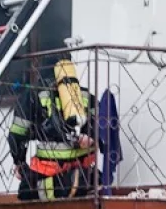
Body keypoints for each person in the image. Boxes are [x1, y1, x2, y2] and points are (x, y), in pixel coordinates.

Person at [7, 59, 102, 201]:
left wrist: (19, 161)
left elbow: (17, 133)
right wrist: (91, 137)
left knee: (26, 191)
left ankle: (69, 185)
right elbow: (102, 126)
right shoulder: (84, 95)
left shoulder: (32, 95)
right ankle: (86, 182)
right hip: (84, 166)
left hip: (50, 169)